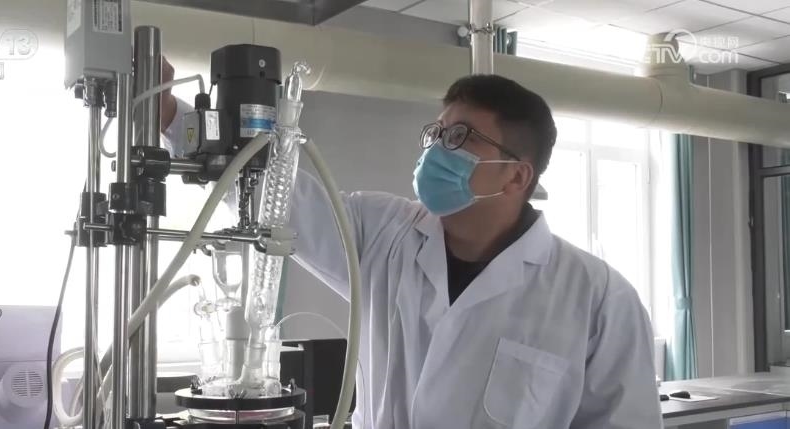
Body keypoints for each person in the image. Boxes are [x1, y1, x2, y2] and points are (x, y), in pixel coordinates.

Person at [161, 61, 662, 428]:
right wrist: (169, 116)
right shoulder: (383, 233)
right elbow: (275, 199)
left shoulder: (599, 299)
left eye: (460, 137)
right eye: (436, 133)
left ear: (516, 176)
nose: (437, 149)